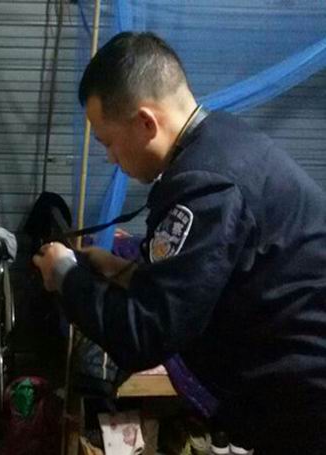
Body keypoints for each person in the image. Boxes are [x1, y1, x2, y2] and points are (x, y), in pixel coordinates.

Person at [33, 31, 326, 453]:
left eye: (108, 142)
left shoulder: (206, 186)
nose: (110, 158)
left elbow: (144, 336)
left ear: (146, 123)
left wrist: (65, 275)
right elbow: (200, 277)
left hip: (305, 401)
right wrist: (122, 271)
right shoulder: (220, 138)